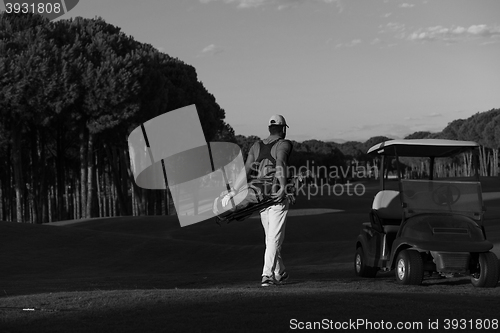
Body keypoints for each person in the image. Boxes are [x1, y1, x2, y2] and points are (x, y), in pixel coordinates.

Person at [223, 115, 293, 286]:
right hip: (276, 195)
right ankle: (267, 275)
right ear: (283, 129)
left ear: (269, 129)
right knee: (274, 239)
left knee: (271, 238)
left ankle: (280, 272)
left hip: (260, 197)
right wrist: (283, 187)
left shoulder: (256, 146)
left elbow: (246, 169)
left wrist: (233, 190)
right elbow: (281, 163)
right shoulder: (284, 144)